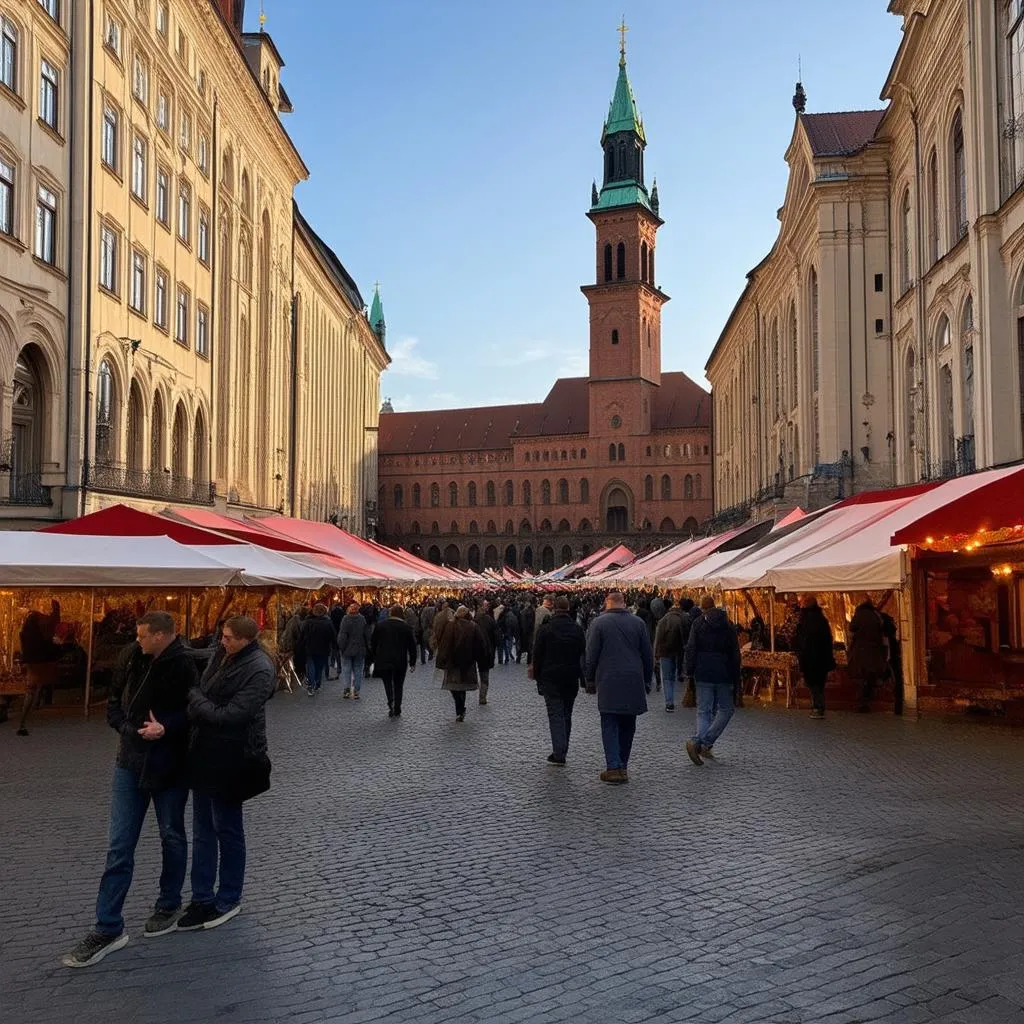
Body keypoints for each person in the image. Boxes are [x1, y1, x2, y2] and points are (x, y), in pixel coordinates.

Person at [62, 612, 196, 968]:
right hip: (130, 761)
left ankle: (168, 903)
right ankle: (107, 927)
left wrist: (165, 728)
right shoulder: (131, 658)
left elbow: (195, 712)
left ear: (162, 635)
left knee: (171, 834)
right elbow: (113, 702)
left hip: (169, 765)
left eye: (142, 635)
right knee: (119, 845)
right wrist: (125, 728)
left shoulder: (184, 665)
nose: (137, 640)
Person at [178, 615, 275, 932]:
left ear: (247, 640)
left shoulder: (260, 668)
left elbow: (232, 715)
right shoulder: (222, 654)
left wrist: (194, 698)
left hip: (233, 757)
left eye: (229, 638)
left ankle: (228, 897)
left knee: (227, 829)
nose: (223, 641)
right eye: (222, 636)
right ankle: (201, 897)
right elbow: (205, 667)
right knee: (203, 828)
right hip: (204, 753)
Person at [584, 591, 653, 785]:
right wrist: (648, 680)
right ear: (624, 604)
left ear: (608, 603)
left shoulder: (598, 623)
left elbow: (591, 655)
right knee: (628, 724)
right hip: (633, 678)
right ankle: (622, 764)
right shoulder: (638, 623)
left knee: (610, 721)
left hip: (608, 679)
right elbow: (648, 654)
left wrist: (589, 679)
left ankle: (613, 766)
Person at [684, 596, 741, 766]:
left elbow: (691, 648)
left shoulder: (698, 624)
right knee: (726, 709)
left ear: (702, 608)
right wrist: (736, 675)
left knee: (704, 711)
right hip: (724, 672)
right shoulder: (728, 624)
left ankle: (699, 742)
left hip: (703, 671)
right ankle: (705, 744)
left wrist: (689, 671)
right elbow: (735, 653)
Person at [532, 595, 586, 765]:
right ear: (568, 608)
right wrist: (585, 679)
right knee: (566, 714)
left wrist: (537, 677)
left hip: (550, 678)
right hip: (571, 677)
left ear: (553, 608)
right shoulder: (577, 629)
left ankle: (559, 752)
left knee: (555, 714)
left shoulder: (545, 629)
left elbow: (537, 655)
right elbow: (583, 655)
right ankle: (563, 748)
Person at [16, 600, 62, 736]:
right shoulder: (41, 629)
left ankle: (25, 719)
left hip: (31, 661)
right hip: (40, 662)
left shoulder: (27, 631)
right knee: (33, 688)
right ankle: (24, 721)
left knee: (31, 689)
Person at [435, 605, 487, 722]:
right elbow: (481, 645)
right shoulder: (471, 626)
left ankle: (460, 710)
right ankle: (461, 709)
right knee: (460, 687)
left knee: (455, 687)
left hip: (453, 662)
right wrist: (480, 659)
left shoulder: (453, 625)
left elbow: (444, 645)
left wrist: (441, 660)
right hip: (466, 662)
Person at [370, 605, 417, 718]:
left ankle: (391, 700)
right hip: (400, 660)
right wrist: (413, 662)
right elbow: (412, 646)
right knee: (398, 684)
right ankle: (397, 707)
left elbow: (373, 642)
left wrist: (373, 656)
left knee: (387, 683)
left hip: (384, 658)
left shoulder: (381, 626)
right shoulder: (405, 627)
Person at [793, 596, 835, 719]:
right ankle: (819, 705)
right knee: (820, 683)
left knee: (813, 683)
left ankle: (817, 707)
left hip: (810, 658)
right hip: (822, 657)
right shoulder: (822, 619)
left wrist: (799, 650)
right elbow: (828, 639)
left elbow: (802, 640)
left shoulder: (805, 621)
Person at [848, 597, 889, 712]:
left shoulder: (859, 615)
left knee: (861, 677)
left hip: (860, 650)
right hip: (874, 649)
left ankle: (861, 702)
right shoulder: (876, 615)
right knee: (869, 675)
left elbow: (851, 628)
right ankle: (866, 700)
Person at [654, 598, 690, 712]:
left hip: (665, 651)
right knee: (673, 676)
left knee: (667, 678)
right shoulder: (684, 619)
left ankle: (669, 702)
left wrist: (656, 654)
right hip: (679, 651)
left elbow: (658, 639)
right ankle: (671, 699)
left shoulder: (664, 620)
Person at [300, 604, 337, 696]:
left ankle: (311, 685)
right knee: (319, 666)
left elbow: (302, 636)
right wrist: (334, 646)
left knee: (311, 666)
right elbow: (333, 636)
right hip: (323, 648)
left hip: (309, 648)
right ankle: (317, 683)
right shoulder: (327, 622)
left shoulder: (307, 622)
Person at [337, 601, 371, 700]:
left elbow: (342, 635)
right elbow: (367, 634)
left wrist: (341, 647)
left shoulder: (345, 619)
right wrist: (367, 646)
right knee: (358, 670)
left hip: (347, 649)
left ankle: (347, 690)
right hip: (360, 648)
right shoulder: (362, 619)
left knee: (346, 670)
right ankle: (356, 691)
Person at [880, 609, 904, 715]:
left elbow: (886, 651)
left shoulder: (882, 635)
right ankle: (897, 706)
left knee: (894, 682)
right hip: (892, 660)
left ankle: (897, 706)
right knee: (896, 682)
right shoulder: (890, 635)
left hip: (888, 661)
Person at [475, 600, 498, 705]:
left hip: (477, 651)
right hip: (486, 651)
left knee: (480, 673)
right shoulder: (489, 620)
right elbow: (495, 635)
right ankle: (482, 696)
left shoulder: (474, 620)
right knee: (484, 675)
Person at [518, 600, 536, 665]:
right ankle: (529, 661)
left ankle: (518, 659)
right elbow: (531, 623)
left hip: (523, 632)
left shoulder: (522, 612)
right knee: (529, 647)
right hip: (528, 632)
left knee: (522, 646)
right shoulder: (531, 612)